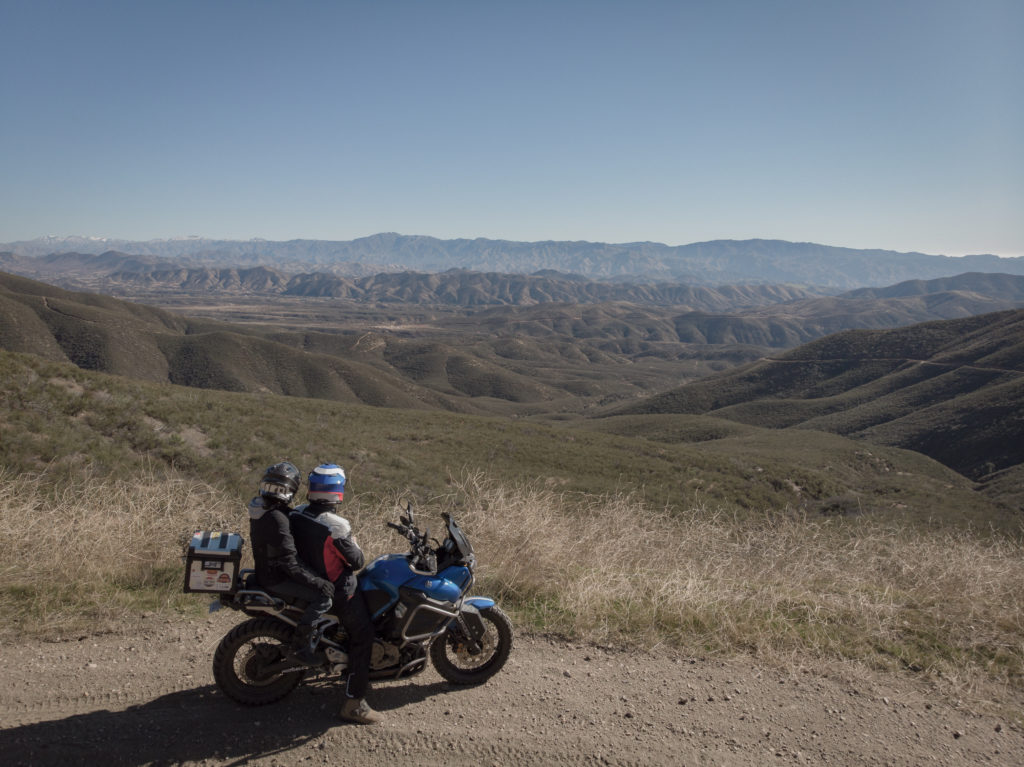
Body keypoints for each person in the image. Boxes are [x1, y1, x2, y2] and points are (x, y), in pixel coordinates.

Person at [290, 463, 382, 725]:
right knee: (364, 635)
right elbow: (357, 561)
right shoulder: (337, 525)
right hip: (337, 590)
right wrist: (353, 541)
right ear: (336, 492)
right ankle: (354, 703)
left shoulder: (297, 513)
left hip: (307, 583)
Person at [247, 461, 334, 666]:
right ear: (289, 490)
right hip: (276, 577)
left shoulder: (262, 509)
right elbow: (290, 562)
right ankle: (301, 647)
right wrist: (318, 582)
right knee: (324, 599)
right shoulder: (278, 518)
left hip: (267, 572)